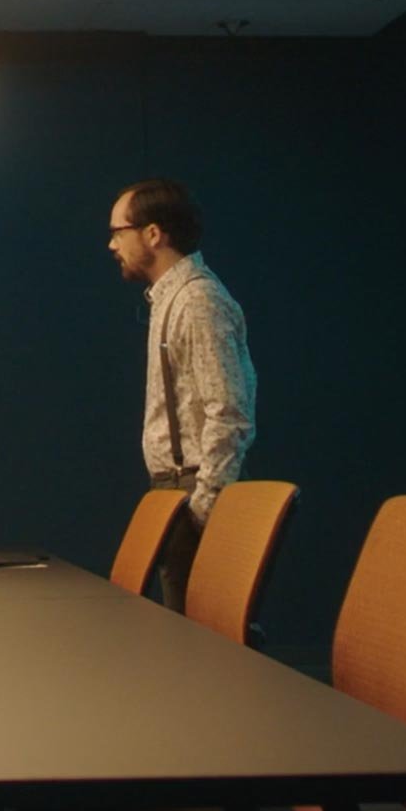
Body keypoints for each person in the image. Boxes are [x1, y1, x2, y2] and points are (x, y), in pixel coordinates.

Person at [108, 179, 256, 612]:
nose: (111, 244)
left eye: (118, 231)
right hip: (176, 492)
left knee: (203, 642)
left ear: (153, 234)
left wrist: (203, 508)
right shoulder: (170, 300)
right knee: (187, 635)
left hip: (194, 493)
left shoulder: (197, 301)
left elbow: (229, 412)